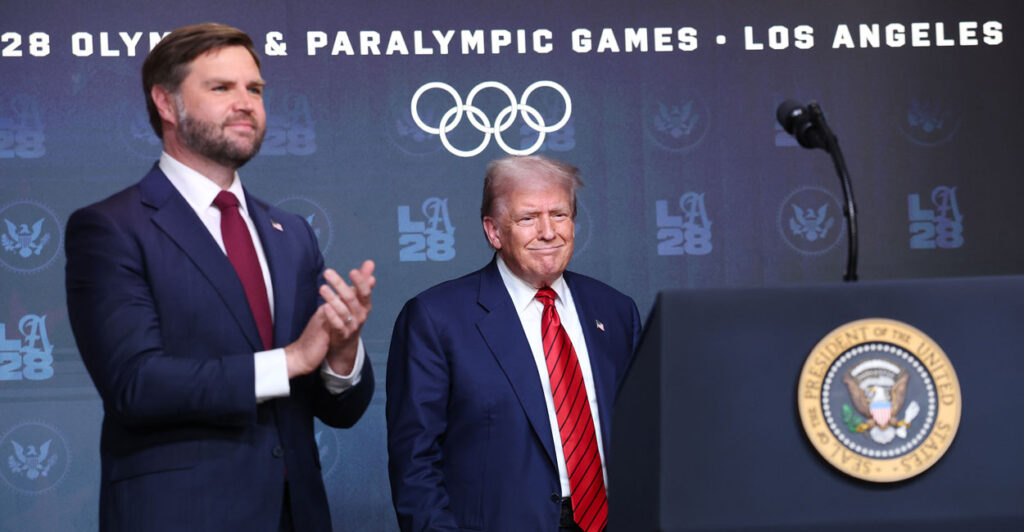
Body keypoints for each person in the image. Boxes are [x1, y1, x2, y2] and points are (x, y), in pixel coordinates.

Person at [64, 23, 375, 531]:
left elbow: (339, 411)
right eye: (221, 87)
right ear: (165, 103)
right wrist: (292, 358)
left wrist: (340, 353)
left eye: (254, 89)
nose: (246, 103)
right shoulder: (111, 227)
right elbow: (135, 385)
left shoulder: (291, 232)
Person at [386, 155, 642, 532]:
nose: (548, 231)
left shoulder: (616, 310)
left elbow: (643, 436)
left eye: (559, 215)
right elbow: (415, 464)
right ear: (494, 232)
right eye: (527, 218)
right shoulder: (434, 318)